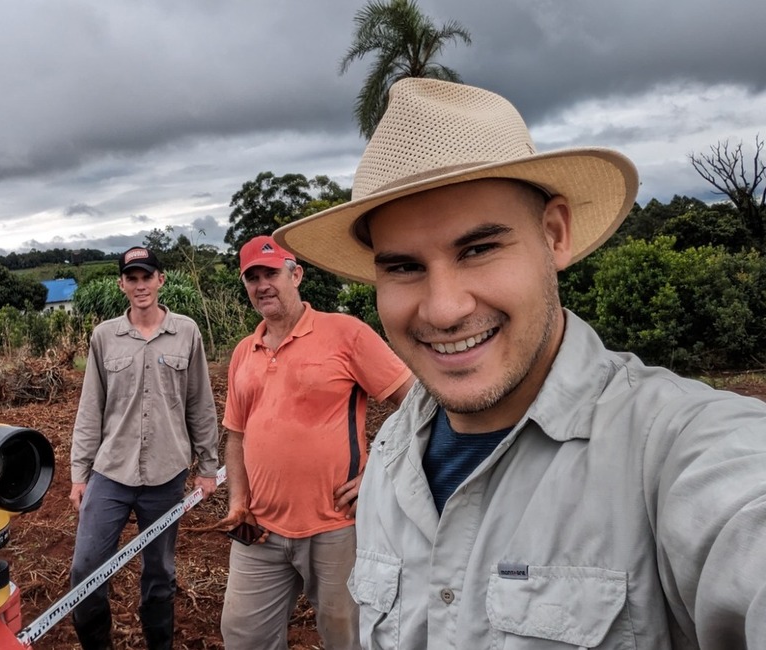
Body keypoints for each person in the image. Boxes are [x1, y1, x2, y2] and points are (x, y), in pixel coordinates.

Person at [272, 78, 766, 648]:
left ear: (555, 236)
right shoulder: (391, 459)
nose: (444, 309)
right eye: (404, 267)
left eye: (478, 249)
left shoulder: (671, 450)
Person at [216, 234, 414, 650]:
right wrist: (238, 501)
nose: (262, 284)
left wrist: (378, 472)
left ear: (296, 275)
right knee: (242, 635)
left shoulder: (345, 333)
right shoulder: (242, 352)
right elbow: (235, 435)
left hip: (336, 527)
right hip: (260, 530)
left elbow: (415, 404)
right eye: (252, 277)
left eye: (270, 273)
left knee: (346, 636)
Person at [68, 246, 219, 650]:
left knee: (160, 573)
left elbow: (200, 403)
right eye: (131, 278)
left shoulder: (186, 332)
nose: (140, 285)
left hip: (166, 474)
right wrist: (79, 475)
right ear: (121, 284)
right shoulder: (104, 336)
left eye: (146, 276)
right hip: (111, 472)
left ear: (160, 280)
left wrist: (208, 465)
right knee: (86, 569)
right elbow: (90, 409)